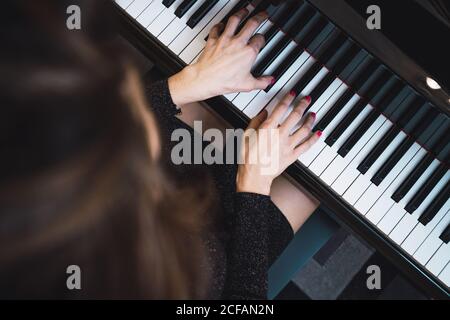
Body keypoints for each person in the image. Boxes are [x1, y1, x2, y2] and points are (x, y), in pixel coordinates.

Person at [0, 0, 320, 299]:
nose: (131, 89)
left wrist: (191, 81)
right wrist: (254, 184)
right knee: (319, 165)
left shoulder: (34, 176)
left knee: (221, 91)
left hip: (150, 178)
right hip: (230, 251)